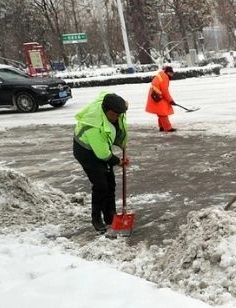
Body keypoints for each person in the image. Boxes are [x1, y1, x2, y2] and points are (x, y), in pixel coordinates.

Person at [73, 92, 131, 234]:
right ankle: (96, 218)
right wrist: (119, 161)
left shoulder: (112, 106)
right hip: (86, 152)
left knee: (110, 182)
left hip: (101, 147)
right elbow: (103, 154)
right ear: (105, 111)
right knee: (101, 185)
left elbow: (106, 93)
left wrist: (124, 105)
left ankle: (110, 214)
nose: (117, 117)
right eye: (114, 114)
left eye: (119, 114)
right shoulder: (94, 126)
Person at [145, 65, 176, 132]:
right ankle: (168, 128)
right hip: (157, 97)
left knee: (160, 112)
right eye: (171, 73)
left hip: (155, 96)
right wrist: (170, 100)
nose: (172, 75)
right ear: (168, 72)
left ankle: (161, 126)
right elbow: (165, 91)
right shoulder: (165, 77)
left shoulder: (162, 74)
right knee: (163, 112)